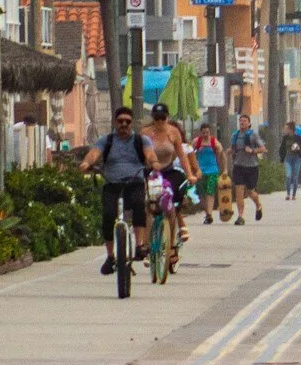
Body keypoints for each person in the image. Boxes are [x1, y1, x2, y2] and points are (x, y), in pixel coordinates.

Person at [79, 106, 155, 273]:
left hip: (135, 181)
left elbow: (149, 154)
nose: (124, 125)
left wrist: (153, 162)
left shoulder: (141, 141)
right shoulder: (107, 140)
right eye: (120, 121)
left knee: (138, 207)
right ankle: (111, 255)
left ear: (132, 123)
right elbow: (94, 154)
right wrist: (87, 163)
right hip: (112, 183)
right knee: (107, 215)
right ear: (115, 122)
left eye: (127, 122)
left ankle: (140, 244)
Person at [143, 102, 191, 256]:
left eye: (162, 118)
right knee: (150, 207)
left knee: (171, 207)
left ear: (167, 118)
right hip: (150, 172)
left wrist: (189, 173)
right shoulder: (145, 133)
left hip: (169, 171)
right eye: (157, 118)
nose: (160, 122)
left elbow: (182, 156)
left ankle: (170, 246)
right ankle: (146, 244)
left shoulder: (173, 132)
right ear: (153, 119)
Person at [228, 113, 267, 225]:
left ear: (249, 123)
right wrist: (229, 151)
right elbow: (233, 147)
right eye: (241, 121)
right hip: (238, 165)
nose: (242, 123)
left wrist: (253, 151)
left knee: (250, 192)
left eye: (244, 121)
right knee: (239, 191)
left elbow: (263, 149)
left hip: (251, 166)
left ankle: (258, 205)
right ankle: (240, 216)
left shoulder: (253, 135)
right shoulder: (235, 135)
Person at [191, 123, 226, 225]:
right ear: (200, 133)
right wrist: (197, 150)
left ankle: (209, 214)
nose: (206, 134)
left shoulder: (214, 142)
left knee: (210, 192)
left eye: (207, 132)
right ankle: (207, 213)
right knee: (201, 193)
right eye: (203, 132)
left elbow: (222, 154)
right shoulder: (196, 142)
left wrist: (224, 169)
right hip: (200, 171)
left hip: (212, 170)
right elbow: (189, 153)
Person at [279, 120, 301, 200]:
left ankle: (294, 195)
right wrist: (282, 158)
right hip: (288, 158)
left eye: (286, 128)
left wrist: (296, 147)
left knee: (295, 177)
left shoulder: (299, 137)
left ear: (291, 129)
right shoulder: (285, 138)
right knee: (288, 176)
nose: (285, 130)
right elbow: (282, 148)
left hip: (296, 158)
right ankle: (288, 194)